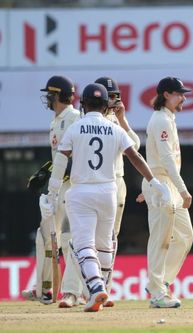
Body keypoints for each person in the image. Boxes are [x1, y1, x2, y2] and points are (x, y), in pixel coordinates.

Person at [40, 83, 171, 312]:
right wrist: (155, 182)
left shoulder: (76, 127)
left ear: (83, 104)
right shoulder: (115, 129)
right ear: (105, 105)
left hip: (81, 192)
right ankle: (98, 290)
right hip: (108, 191)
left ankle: (96, 287)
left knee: (82, 245)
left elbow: (61, 161)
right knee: (103, 245)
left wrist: (51, 193)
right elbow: (135, 156)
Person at [22, 76, 84, 308]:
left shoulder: (75, 118)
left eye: (49, 95)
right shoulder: (56, 120)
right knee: (45, 235)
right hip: (57, 187)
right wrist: (44, 172)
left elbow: (76, 155)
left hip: (71, 188)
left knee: (68, 239)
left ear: (57, 95)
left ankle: (73, 292)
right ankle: (45, 288)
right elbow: (58, 156)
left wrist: (59, 176)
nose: (47, 99)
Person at [141, 77, 193, 308]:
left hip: (163, 184)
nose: (183, 98)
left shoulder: (168, 119)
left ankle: (161, 283)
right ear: (166, 95)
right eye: (179, 94)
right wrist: (182, 189)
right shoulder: (161, 120)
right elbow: (165, 159)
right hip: (161, 184)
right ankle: (157, 290)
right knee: (160, 238)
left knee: (184, 236)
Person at [94, 76, 141, 307]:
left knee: (110, 240)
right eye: (109, 96)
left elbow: (135, 145)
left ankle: (104, 289)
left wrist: (122, 119)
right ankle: (83, 289)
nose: (113, 101)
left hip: (116, 183)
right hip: (92, 184)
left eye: (115, 96)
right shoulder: (89, 118)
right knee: (87, 241)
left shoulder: (116, 118)